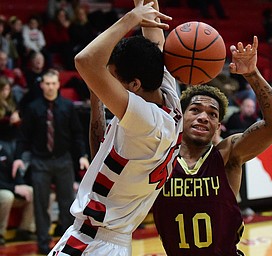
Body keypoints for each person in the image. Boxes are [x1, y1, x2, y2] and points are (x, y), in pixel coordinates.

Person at [49, 0, 182, 255]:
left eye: (113, 78)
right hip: (109, 240)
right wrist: (142, 7)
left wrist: (131, 17)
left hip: (93, 242)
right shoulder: (167, 96)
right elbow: (154, 36)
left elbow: (85, 61)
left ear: (134, 85)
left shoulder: (147, 122)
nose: (107, 83)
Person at [152, 36, 272, 255]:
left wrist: (252, 74)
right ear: (181, 117)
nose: (204, 117)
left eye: (212, 114)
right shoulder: (160, 158)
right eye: (195, 110)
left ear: (218, 126)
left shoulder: (227, 155)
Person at [12, 69, 90, 254]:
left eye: (54, 83)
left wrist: (82, 155)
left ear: (58, 84)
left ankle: (66, 244)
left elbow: (77, 134)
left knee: (67, 204)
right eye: (47, 83)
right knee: (41, 205)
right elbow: (24, 137)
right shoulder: (33, 108)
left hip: (63, 160)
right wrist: (17, 158)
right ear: (42, 85)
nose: (50, 87)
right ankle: (42, 243)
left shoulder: (68, 106)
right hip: (40, 161)